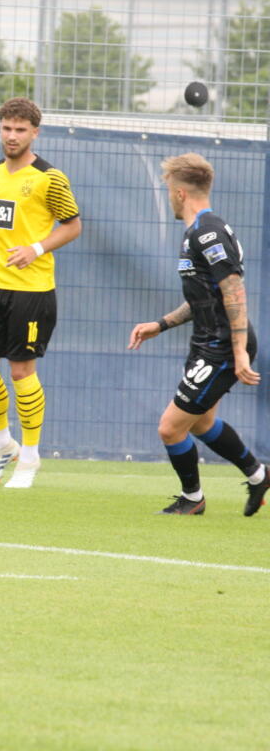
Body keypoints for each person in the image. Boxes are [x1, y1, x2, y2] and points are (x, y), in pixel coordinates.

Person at [127, 153, 266, 515]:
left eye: (169, 190)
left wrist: (237, 352)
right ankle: (258, 475)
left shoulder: (208, 232)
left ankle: (193, 499)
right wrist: (161, 324)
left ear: (179, 194)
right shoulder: (198, 232)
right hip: (209, 341)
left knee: (170, 428)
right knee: (202, 422)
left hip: (220, 345)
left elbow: (233, 290)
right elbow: (206, 297)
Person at [0, 97, 82, 489]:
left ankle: (29, 455)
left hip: (32, 291)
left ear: (35, 133)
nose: (12, 136)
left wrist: (36, 248)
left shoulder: (49, 178)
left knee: (22, 370)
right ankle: (0, 446)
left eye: (20, 130)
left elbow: (73, 225)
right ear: (0, 129)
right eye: (7, 128)